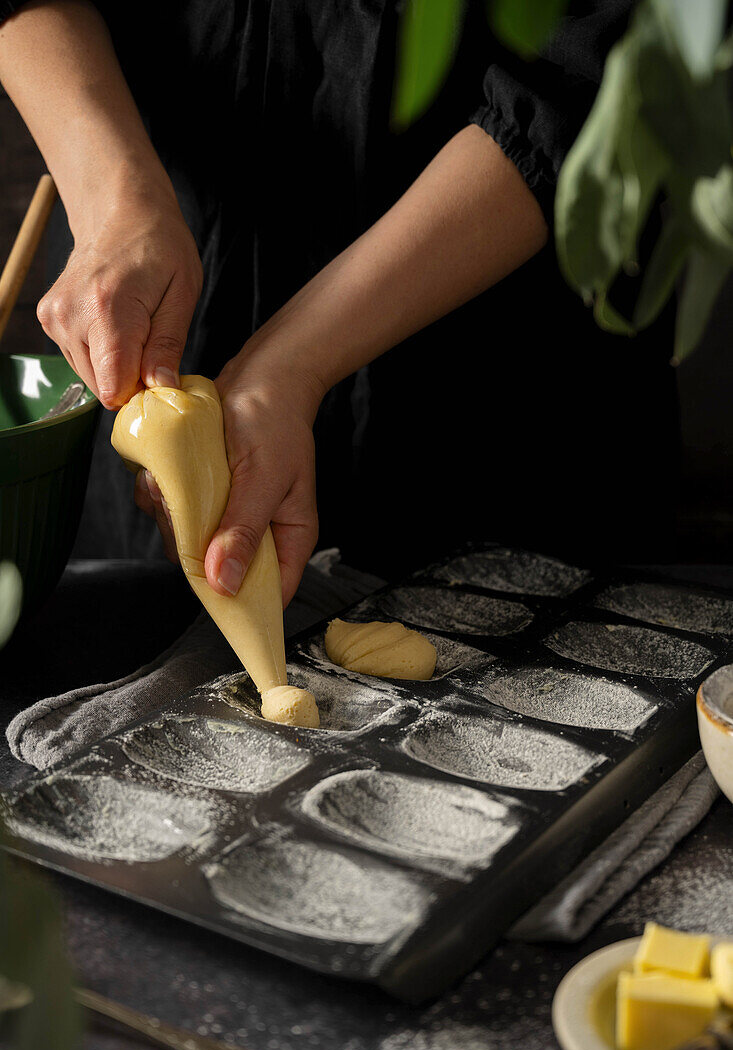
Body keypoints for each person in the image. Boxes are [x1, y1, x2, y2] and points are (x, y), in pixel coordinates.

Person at [0, 0, 679, 603]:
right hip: (166, 257)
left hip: (501, 394)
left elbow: (602, 68)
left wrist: (291, 363)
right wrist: (116, 200)